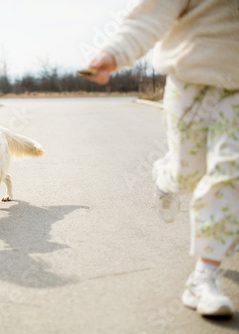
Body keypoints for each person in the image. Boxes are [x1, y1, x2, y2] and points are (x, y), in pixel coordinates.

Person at [83, 0, 239, 317]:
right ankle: (166, 176)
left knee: (230, 170)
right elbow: (150, 17)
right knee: (187, 174)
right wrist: (114, 53)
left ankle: (203, 278)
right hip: (189, 84)